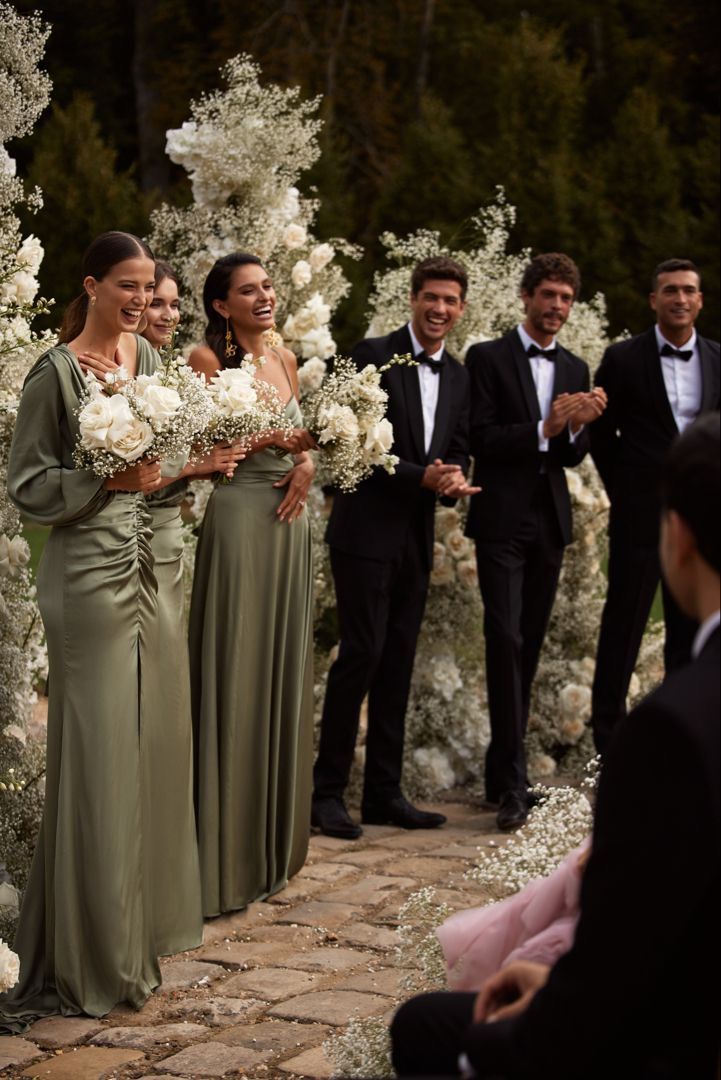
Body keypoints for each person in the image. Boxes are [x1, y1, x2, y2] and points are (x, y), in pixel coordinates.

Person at [391, 412, 720, 1080]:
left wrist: (485, 1050)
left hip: (682, 1038)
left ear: (677, 538)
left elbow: (617, 972)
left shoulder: (671, 729)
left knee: (426, 1030)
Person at [0, 232, 203, 1030]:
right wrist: (104, 477)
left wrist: (164, 472)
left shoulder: (149, 367)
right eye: (126, 285)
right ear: (91, 285)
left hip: (147, 563)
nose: (140, 300)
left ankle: (128, 944)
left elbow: (159, 466)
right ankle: (82, 958)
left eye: (147, 287)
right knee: (95, 758)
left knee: (145, 751)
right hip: (84, 575)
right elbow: (26, 484)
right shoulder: (52, 374)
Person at [312, 256, 479, 840]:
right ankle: (326, 794)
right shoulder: (368, 354)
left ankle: (383, 793)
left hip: (417, 536)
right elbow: (348, 444)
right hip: (362, 532)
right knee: (361, 653)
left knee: (399, 660)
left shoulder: (458, 376)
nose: (439, 309)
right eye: (430, 297)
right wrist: (420, 477)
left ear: (460, 309)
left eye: (450, 301)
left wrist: (454, 479)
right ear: (412, 299)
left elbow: (455, 446)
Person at [187, 252, 316, 917]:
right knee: (237, 672)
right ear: (220, 306)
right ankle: (224, 857)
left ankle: (272, 845)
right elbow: (197, 448)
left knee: (279, 669)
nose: (263, 296)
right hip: (239, 524)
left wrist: (306, 463)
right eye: (247, 290)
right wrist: (280, 437)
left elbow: (303, 442)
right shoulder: (206, 362)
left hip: (289, 525)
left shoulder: (286, 358)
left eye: (267, 286)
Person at [465, 254, 607, 830]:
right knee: (503, 638)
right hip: (500, 519)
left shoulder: (575, 365)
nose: (556, 307)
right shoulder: (488, 357)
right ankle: (514, 784)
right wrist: (541, 429)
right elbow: (480, 436)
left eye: (566, 298)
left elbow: (570, 456)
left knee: (528, 645)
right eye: (547, 295)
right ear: (526, 297)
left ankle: (505, 776)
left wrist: (577, 427)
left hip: (548, 521)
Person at [590, 258, 720, 753]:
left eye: (689, 290)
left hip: (704, 518)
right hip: (639, 513)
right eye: (670, 290)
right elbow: (601, 434)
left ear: (700, 299)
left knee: (690, 631)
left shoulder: (718, 359)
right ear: (654, 300)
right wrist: (622, 489)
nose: (680, 299)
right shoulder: (622, 359)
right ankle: (607, 743)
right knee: (623, 623)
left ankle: (686, 736)